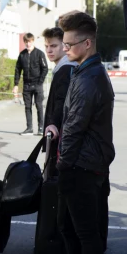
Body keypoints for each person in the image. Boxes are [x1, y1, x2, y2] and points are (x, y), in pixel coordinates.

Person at [43, 11, 115, 254]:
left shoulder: (90, 78)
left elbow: (73, 126)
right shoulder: (84, 71)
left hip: (82, 165)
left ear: (87, 43)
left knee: (85, 231)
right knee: (70, 227)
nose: (65, 49)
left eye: (70, 44)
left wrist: (62, 163)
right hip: (83, 163)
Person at [41, 27, 77, 176]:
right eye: (47, 46)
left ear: (64, 46)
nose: (49, 50)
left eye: (54, 46)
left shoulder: (65, 69)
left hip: (59, 136)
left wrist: (53, 125)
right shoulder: (63, 68)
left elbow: (61, 103)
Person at [13, 33, 48, 136]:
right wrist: (16, 84)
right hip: (27, 85)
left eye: (30, 41)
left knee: (39, 106)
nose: (28, 44)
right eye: (26, 42)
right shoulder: (22, 55)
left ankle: (41, 128)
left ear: (33, 41)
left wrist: (40, 82)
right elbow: (17, 69)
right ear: (24, 42)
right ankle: (29, 128)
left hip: (37, 84)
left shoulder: (40, 54)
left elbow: (45, 68)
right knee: (27, 107)